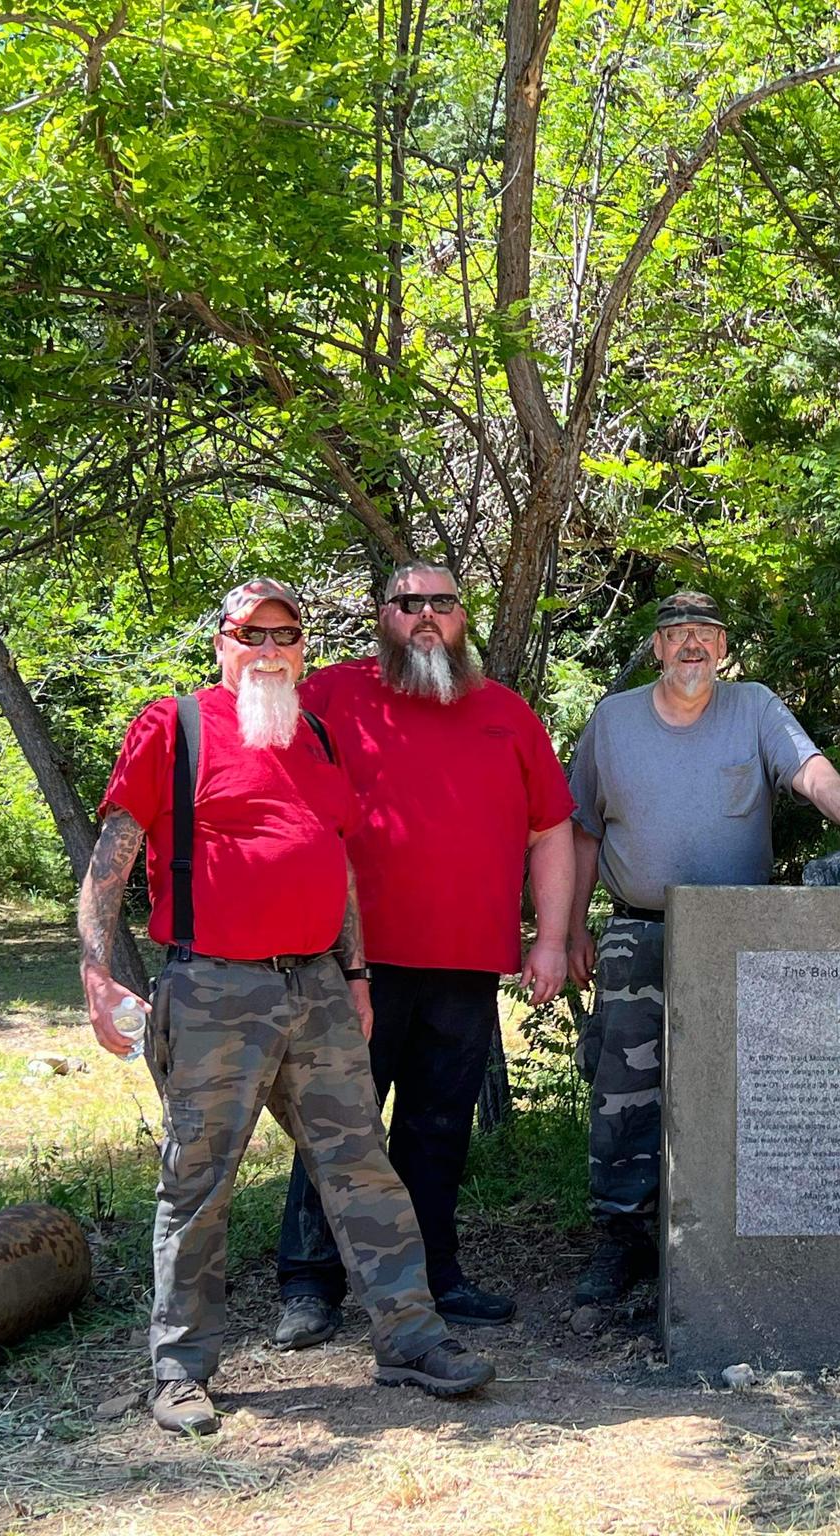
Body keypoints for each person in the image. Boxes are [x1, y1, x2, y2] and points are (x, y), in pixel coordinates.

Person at [77, 578, 493, 1435]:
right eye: (251, 634)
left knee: (362, 1168)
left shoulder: (315, 735)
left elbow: (338, 861)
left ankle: (410, 1340)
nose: (269, 650)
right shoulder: (175, 726)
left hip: (318, 987)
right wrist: (96, 969)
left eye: (285, 635)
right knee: (198, 1182)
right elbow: (112, 855)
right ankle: (181, 1370)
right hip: (213, 989)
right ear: (222, 645)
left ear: (303, 648)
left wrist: (357, 973)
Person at [270, 563, 576, 1349]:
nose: (427, 615)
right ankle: (310, 1285)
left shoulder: (505, 713)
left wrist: (549, 938)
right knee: (339, 1124)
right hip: (353, 964)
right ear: (385, 617)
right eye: (410, 604)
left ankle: (433, 1276)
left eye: (443, 602)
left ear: (463, 617)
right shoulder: (333, 696)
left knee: (438, 1129)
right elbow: (268, 789)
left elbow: (550, 831)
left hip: (466, 964)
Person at [562, 590, 840, 1305]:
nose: (691, 645)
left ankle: (726, 1237)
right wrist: (570, 929)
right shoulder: (613, 721)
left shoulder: (755, 707)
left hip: (736, 937)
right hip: (638, 931)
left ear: (721, 647)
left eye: (705, 634)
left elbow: (809, 769)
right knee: (624, 1092)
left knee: (739, 1087)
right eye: (676, 633)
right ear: (657, 647)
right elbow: (583, 829)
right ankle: (623, 1238)